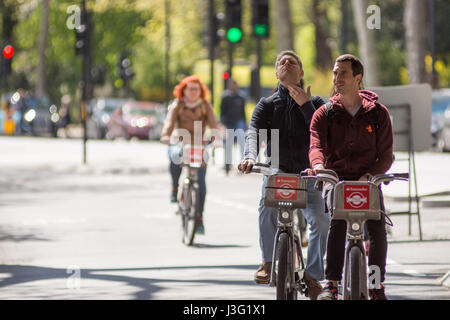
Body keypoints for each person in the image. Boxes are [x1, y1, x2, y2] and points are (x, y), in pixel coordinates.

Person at [238, 50, 330, 300]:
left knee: (321, 220)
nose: (287, 63)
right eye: (282, 62)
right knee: (266, 209)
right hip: (278, 173)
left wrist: (305, 106)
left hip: (311, 176)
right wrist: (249, 157)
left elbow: (325, 133)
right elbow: (253, 133)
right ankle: (267, 263)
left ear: (301, 72)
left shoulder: (319, 103)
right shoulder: (266, 105)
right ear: (277, 73)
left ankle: (312, 276)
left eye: (293, 62)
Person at [308, 54, 394, 300]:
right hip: (335, 178)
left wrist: (372, 175)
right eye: (335, 73)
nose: (337, 78)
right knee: (337, 221)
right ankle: (332, 284)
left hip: (369, 180)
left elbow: (386, 155)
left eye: (343, 73)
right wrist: (318, 167)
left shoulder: (378, 114)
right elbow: (316, 146)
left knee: (378, 230)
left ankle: (376, 286)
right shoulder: (324, 113)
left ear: (358, 78)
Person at [160, 75, 223, 234]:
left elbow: (213, 124)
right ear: (184, 90)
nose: (194, 92)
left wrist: (216, 139)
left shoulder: (205, 106)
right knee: (174, 156)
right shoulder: (178, 105)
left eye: (197, 89)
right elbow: (169, 123)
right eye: (190, 89)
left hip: (198, 145)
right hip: (180, 142)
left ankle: (199, 218)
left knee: (201, 182)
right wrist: (166, 136)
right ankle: (175, 188)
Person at [220, 78, 247, 174]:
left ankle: (243, 165)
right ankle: (227, 166)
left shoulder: (241, 96)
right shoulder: (225, 97)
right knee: (228, 145)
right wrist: (223, 124)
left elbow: (243, 111)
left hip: (239, 122)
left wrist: (245, 124)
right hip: (229, 123)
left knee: (242, 144)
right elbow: (222, 111)